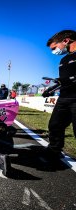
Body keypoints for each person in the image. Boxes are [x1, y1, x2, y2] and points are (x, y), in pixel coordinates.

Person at [42, 30, 76, 160]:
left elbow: (70, 79)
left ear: (66, 41)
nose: (54, 51)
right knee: (55, 125)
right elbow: (64, 80)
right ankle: (54, 151)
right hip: (64, 99)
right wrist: (51, 89)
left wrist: (68, 80)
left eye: (54, 48)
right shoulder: (64, 59)